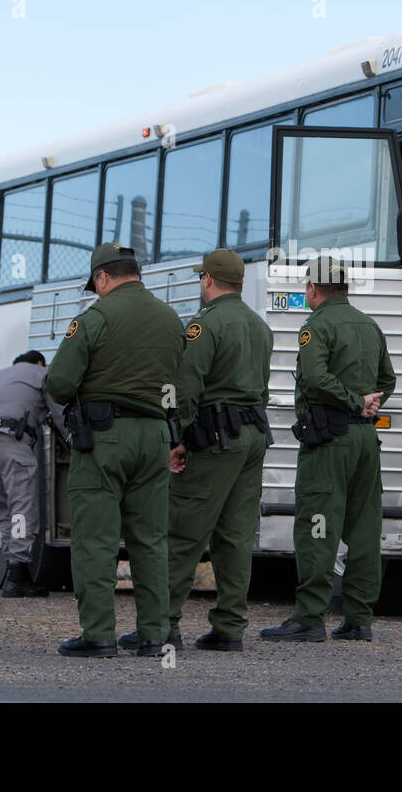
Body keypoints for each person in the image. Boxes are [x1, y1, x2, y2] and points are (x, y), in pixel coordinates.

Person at [117, 249, 273, 653]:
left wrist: (178, 436)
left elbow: (186, 387)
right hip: (253, 437)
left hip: (215, 440)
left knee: (182, 532)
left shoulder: (204, 326)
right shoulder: (260, 325)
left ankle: (163, 625)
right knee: (236, 537)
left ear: (207, 280)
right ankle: (230, 629)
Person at [45, 244, 185, 659]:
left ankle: (99, 634)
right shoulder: (172, 319)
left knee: (96, 538)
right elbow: (181, 384)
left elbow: (59, 383)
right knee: (152, 539)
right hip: (156, 436)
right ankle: (154, 635)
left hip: (105, 438)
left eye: (96, 285)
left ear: (102, 277)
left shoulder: (95, 318)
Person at [261, 255, 395, 644]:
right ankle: (358, 618)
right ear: (346, 288)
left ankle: (309, 618)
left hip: (330, 441)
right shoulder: (370, 326)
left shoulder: (316, 326)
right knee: (365, 527)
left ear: (313, 289)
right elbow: (388, 378)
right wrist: (369, 403)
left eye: (306, 287)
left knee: (318, 524)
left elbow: (316, 377)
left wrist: (353, 401)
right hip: (366, 442)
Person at [0, 350, 69, 597]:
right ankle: (18, 573)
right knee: (22, 506)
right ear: (40, 362)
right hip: (11, 441)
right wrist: (73, 439)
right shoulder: (42, 374)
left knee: (3, 508)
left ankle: (13, 565)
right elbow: (58, 411)